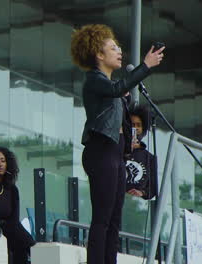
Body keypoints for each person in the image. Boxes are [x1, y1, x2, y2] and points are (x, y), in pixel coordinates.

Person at [70, 24, 164, 264]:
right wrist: (145, 67)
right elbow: (117, 88)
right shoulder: (94, 80)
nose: (119, 51)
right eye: (113, 47)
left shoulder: (112, 89)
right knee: (102, 218)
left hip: (116, 155)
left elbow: (119, 93)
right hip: (101, 152)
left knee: (114, 220)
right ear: (99, 55)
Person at [0, 146, 35, 264]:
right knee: (24, 241)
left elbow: (14, 219)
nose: (0, 164)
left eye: (3, 161)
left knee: (26, 244)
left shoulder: (12, 189)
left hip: (10, 227)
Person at [126, 105, 158, 200]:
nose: (135, 128)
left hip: (137, 205)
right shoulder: (118, 150)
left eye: (138, 125)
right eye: (132, 125)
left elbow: (153, 189)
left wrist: (142, 193)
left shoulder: (150, 158)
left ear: (143, 128)